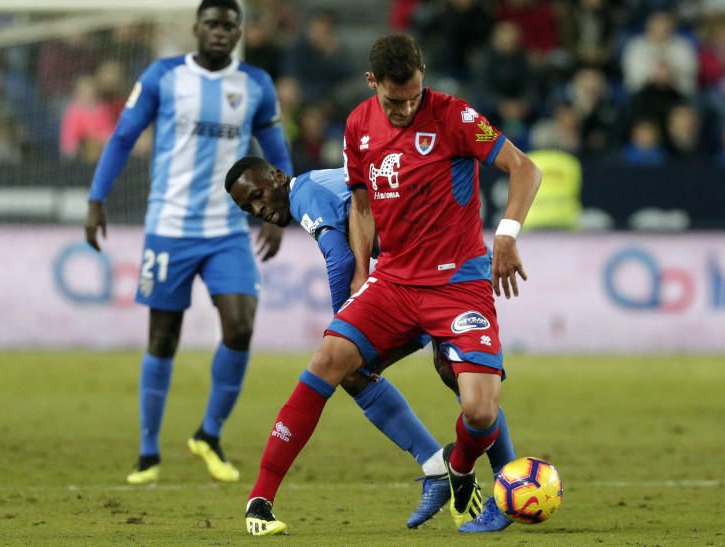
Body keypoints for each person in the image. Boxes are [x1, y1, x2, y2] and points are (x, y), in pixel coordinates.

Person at [241, 34, 541, 536]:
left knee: (479, 406)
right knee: (330, 360)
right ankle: (260, 500)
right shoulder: (358, 125)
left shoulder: (456, 117)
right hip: (395, 283)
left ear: (422, 75)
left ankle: (460, 469)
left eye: (413, 97)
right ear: (371, 82)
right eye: (393, 101)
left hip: (459, 284)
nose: (404, 110)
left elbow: (524, 169)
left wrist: (507, 235)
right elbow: (360, 205)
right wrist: (362, 270)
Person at [224, 156, 519, 528]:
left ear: (278, 177)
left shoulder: (307, 193)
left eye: (257, 196)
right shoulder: (322, 184)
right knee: (430, 372)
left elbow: (339, 258)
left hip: (452, 275)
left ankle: (473, 475)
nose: (258, 209)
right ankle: (462, 472)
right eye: (247, 207)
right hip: (418, 275)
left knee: (353, 365)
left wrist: (344, 321)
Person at [84, 0, 292, 485]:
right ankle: (148, 453)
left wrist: (282, 210)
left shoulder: (255, 84)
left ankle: (209, 435)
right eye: (212, 24)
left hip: (227, 231)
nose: (220, 32)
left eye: (229, 25)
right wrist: (97, 198)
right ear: (196, 28)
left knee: (240, 327)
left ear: (239, 31)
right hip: (169, 228)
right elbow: (122, 137)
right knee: (163, 338)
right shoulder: (163, 76)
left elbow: (276, 151)